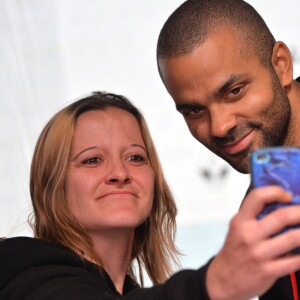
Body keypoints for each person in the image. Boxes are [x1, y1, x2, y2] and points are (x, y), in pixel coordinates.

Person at [1, 93, 300, 300]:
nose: (119, 173)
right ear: (50, 184)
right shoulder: (20, 270)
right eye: (92, 160)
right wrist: (218, 282)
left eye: (135, 157)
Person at [156, 0, 300, 299]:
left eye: (234, 91)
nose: (219, 126)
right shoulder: (262, 210)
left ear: (281, 66)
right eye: (194, 110)